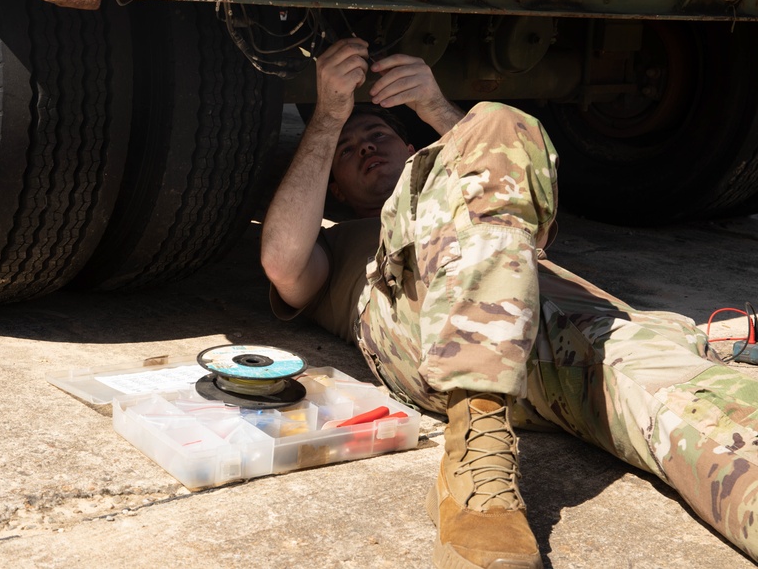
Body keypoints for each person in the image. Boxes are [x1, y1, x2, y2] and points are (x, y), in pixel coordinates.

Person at [260, 37, 758, 568]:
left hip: (565, 328)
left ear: (415, 153)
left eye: (377, 133)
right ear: (334, 188)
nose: (364, 146)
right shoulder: (340, 244)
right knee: (497, 120)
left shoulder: (493, 212)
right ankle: (476, 457)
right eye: (348, 150)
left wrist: (433, 107)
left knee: (703, 406)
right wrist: (328, 118)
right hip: (427, 331)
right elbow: (282, 261)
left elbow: (493, 158)